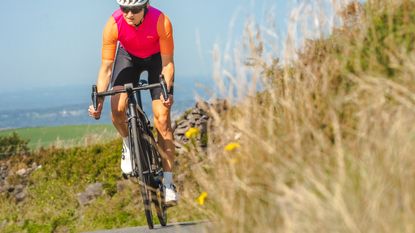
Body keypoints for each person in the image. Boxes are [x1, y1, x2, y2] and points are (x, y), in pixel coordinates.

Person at [88, 0, 177, 206]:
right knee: (117, 110)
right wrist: (99, 99)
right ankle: (128, 143)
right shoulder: (113, 24)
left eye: (135, 9)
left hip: (156, 59)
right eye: (124, 9)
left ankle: (169, 183)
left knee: (162, 120)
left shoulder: (161, 21)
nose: (129, 14)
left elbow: (168, 63)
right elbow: (106, 68)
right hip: (127, 57)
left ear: (146, 6)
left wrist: (167, 91)